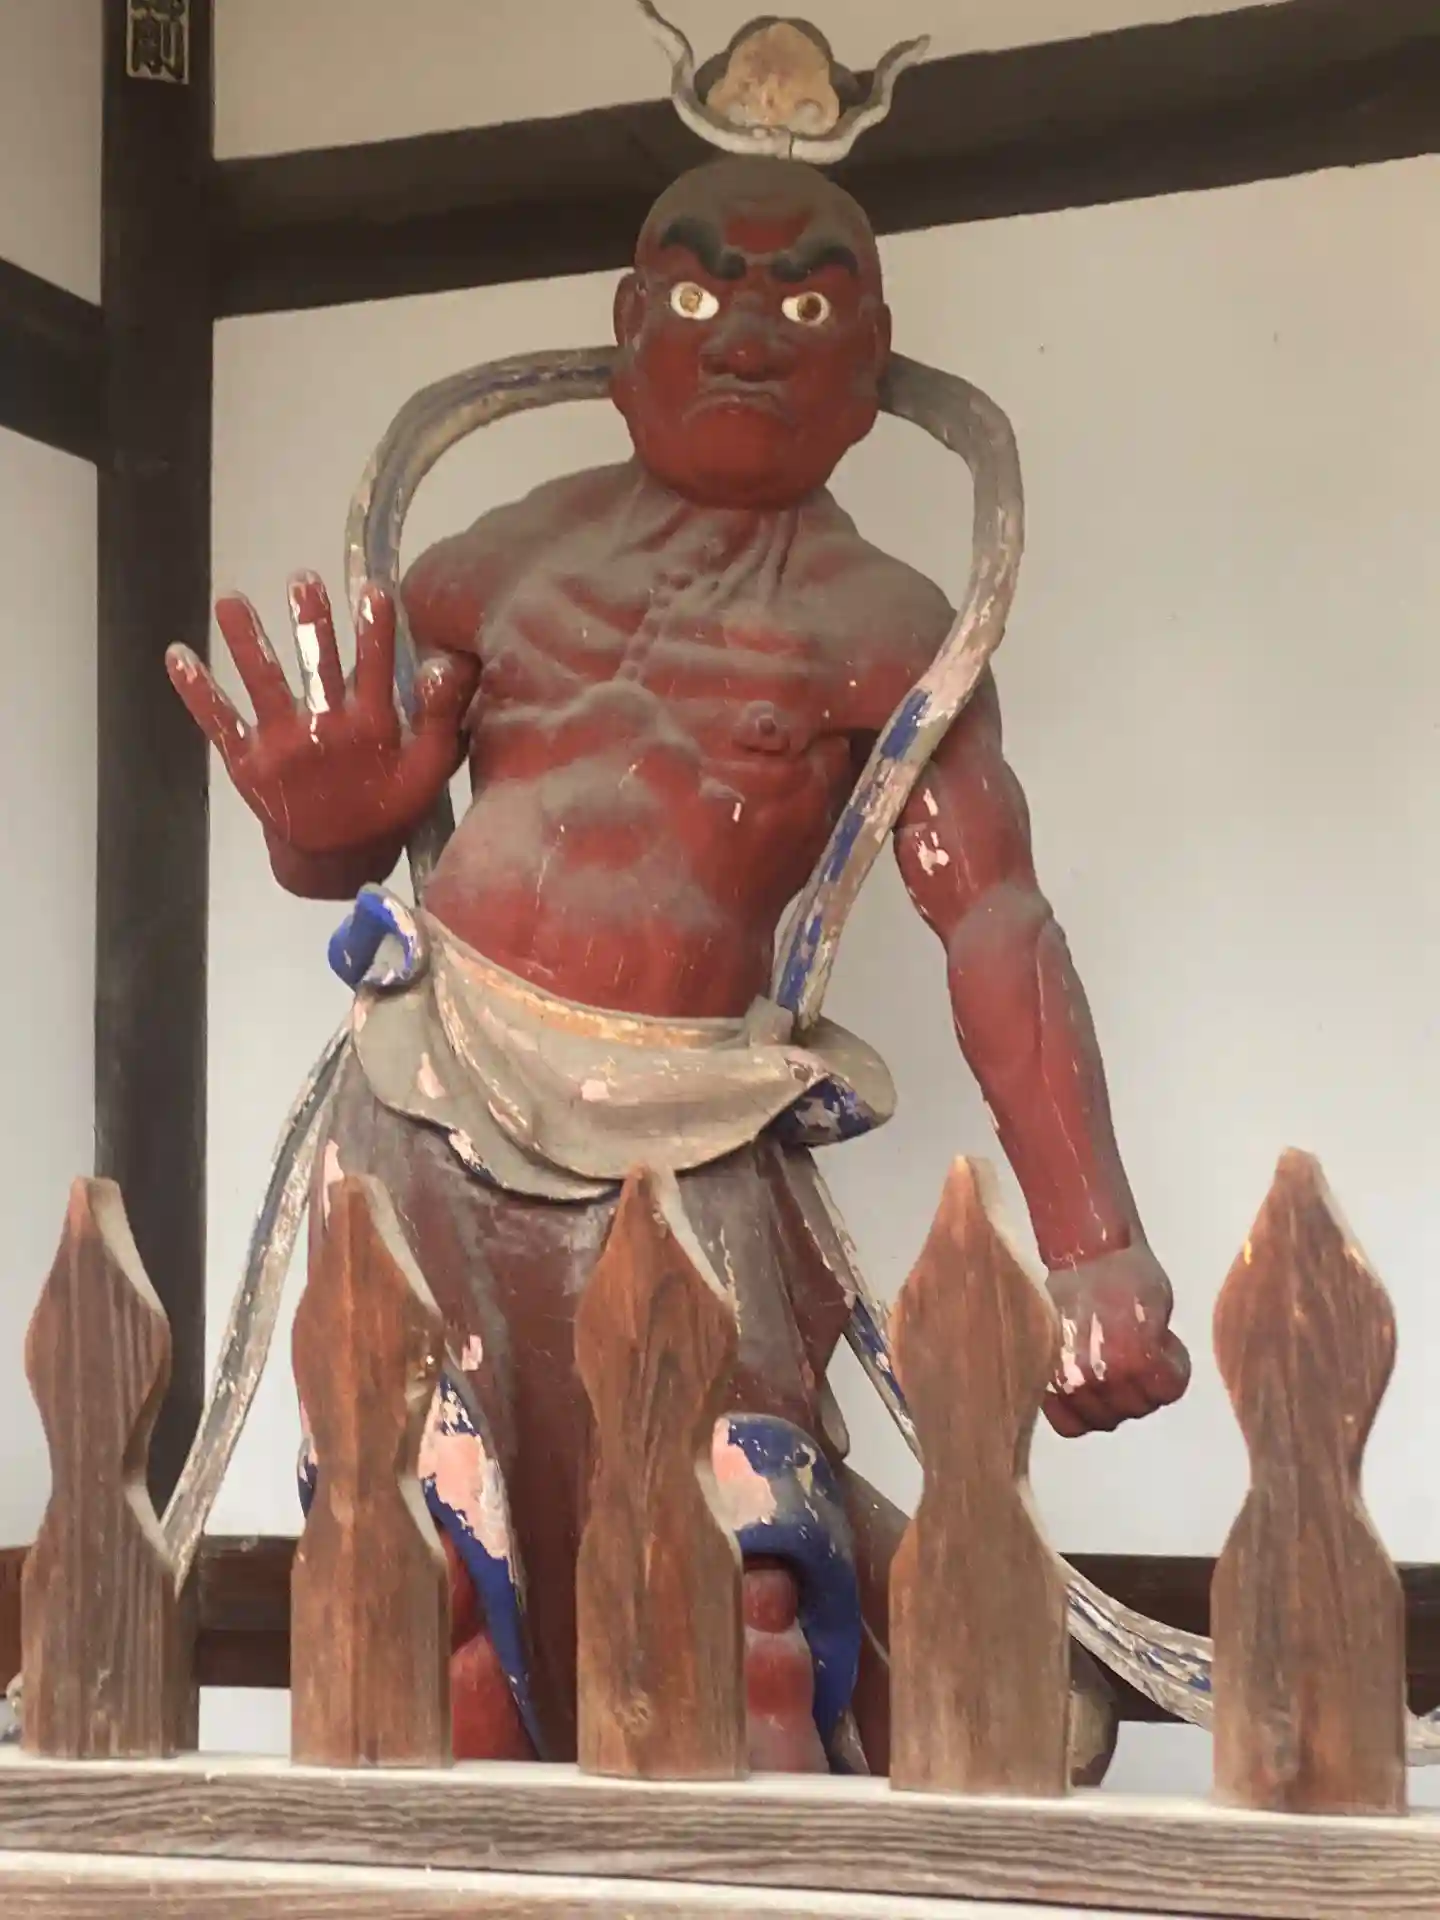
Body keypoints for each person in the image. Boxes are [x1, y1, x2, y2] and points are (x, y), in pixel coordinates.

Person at [167, 154, 1188, 1771]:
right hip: (431, 1085)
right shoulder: (497, 561)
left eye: (807, 304)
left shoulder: (886, 628)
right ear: (629, 327)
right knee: (420, 1549)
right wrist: (319, 826)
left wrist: (1097, 1248)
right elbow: (349, 829)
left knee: (734, 1573)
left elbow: (993, 916)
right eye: (704, 292)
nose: (748, 337)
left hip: (694, 1124)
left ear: (872, 369)